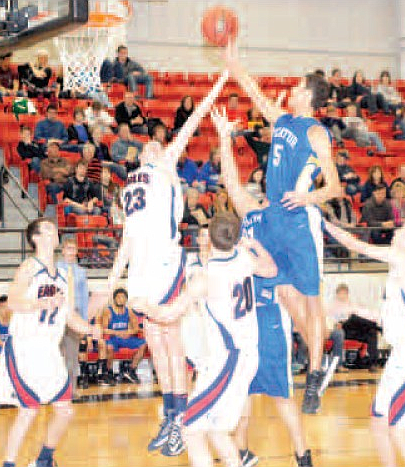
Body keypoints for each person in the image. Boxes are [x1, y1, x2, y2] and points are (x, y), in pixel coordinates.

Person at [108, 73, 228, 457]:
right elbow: (126, 240)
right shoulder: (129, 187)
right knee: (156, 344)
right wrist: (111, 282)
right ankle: (172, 415)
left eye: (157, 147)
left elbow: (192, 122)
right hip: (140, 269)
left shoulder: (165, 168)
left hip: (165, 261)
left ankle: (183, 418)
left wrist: (221, 79)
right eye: (146, 148)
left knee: (172, 341)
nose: (151, 149)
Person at [222, 41, 342, 414]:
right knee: (289, 298)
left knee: (310, 299)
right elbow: (252, 89)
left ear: (308, 95)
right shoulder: (282, 120)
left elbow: (335, 186)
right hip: (273, 216)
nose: (290, 90)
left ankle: (316, 373)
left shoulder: (318, 133)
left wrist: (308, 198)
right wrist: (232, 59)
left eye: (297, 87)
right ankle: (323, 350)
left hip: (298, 218)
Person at [132, 213, 276, 467]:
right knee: (216, 431)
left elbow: (168, 314)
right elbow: (271, 269)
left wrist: (144, 306)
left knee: (191, 429)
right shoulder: (244, 258)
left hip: (228, 360)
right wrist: (255, 245)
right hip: (246, 353)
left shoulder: (206, 276)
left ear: (209, 239)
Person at [209, 118, 314, 466]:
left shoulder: (285, 216)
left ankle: (303, 455)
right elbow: (230, 180)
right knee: (241, 392)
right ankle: (240, 452)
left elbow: (286, 281)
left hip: (269, 314)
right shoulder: (251, 214)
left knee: (280, 395)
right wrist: (225, 138)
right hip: (244, 316)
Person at [324, 219, 405, 467]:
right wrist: (351, 307)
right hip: (401, 353)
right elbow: (385, 318)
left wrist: (321, 222)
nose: (395, 232)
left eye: (401, 229)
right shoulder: (404, 273)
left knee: (398, 428)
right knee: (379, 421)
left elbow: (356, 245)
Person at [0, 218, 102, 467]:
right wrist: (40, 304)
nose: (54, 230)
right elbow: (11, 302)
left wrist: (90, 329)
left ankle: (43, 461)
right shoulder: (29, 267)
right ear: (36, 237)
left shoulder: (64, 274)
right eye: (48, 228)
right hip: (25, 347)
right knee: (29, 410)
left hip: (49, 351)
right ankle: (9, 464)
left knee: (65, 411)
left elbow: (69, 315)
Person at [57, 237, 90, 392]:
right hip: (57, 314)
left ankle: (71, 390)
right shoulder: (54, 269)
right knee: (55, 354)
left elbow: (84, 298)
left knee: (72, 354)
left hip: (74, 314)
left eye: (73, 248)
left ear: (77, 251)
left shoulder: (81, 272)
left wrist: (83, 322)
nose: (70, 251)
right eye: (67, 248)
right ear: (62, 251)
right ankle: (53, 390)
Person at [101, 288, 147, 384]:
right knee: (109, 347)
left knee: (143, 344)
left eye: (123, 297)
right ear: (114, 299)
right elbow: (103, 329)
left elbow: (136, 328)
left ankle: (131, 370)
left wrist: (128, 332)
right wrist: (117, 333)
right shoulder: (108, 311)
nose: (120, 299)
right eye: (118, 297)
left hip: (126, 337)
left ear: (126, 299)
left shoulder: (129, 311)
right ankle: (108, 372)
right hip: (113, 337)